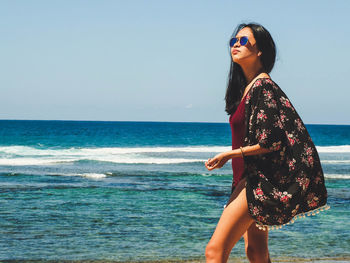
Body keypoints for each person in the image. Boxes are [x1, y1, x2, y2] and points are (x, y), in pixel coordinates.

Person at [204, 22, 329, 263]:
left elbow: (271, 141)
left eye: (243, 41)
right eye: (233, 41)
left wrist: (227, 155)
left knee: (214, 251)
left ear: (260, 50)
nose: (236, 45)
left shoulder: (263, 86)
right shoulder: (249, 88)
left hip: (255, 182)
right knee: (256, 252)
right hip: (247, 177)